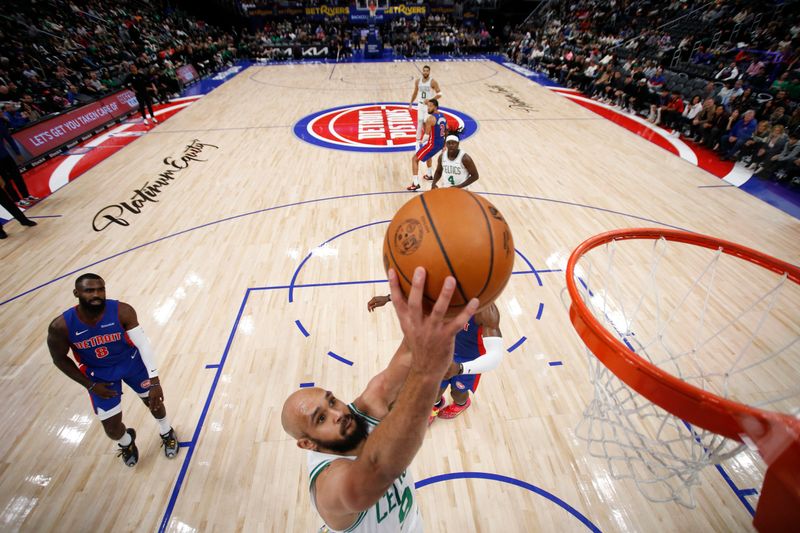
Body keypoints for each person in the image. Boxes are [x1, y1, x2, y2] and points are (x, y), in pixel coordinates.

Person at [282, 268, 478, 532]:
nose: (337, 413)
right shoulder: (329, 483)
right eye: (321, 418)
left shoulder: (362, 410)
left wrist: (432, 305)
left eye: (332, 401)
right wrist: (427, 375)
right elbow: (377, 471)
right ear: (307, 443)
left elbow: (407, 355)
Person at [47, 274, 179, 466]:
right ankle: (126, 442)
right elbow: (58, 359)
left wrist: (155, 381)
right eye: (89, 290)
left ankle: (166, 431)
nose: (97, 294)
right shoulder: (61, 326)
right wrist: (90, 385)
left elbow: (143, 345)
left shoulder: (122, 311)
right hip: (99, 376)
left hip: (132, 365)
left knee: (155, 403)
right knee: (111, 428)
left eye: (101, 289)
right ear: (76, 293)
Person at [367, 295, 503, 424]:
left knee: (459, 391)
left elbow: (495, 356)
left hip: (468, 360)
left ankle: (461, 404)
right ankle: (435, 405)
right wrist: (388, 298)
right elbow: (420, 295)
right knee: (434, 389)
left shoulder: (485, 310)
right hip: (444, 351)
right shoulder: (447, 290)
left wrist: (460, 368)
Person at [408, 65, 442, 180]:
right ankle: (419, 144)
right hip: (420, 106)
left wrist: (431, 101)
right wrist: (411, 103)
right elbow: (415, 92)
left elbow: (440, 94)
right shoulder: (418, 81)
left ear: (429, 72)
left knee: (428, 126)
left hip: (428, 107)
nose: (425, 72)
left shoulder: (433, 82)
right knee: (419, 124)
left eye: (427, 70)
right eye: (424, 70)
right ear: (422, 71)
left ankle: (425, 142)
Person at [407, 98, 447, 191]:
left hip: (432, 144)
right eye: (427, 106)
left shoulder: (430, 118)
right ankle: (429, 174)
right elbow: (446, 130)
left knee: (415, 159)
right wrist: (444, 144)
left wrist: (420, 142)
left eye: (430, 106)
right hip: (440, 142)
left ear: (435, 107)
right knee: (429, 154)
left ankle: (415, 183)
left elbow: (426, 134)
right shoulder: (442, 116)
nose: (428, 108)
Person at [0, 115, 39, 207]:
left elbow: (9, 138)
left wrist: (18, 152)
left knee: (17, 176)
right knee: (6, 181)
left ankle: (26, 195)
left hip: (5, 155)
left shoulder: (1, 123)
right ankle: (17, 200)